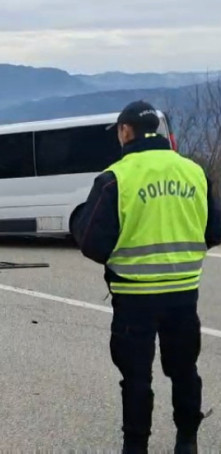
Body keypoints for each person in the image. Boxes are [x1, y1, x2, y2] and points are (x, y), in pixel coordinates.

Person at [72, 100, 221, 453]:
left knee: (137, 377)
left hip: (134, 295)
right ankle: (187, 441)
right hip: (184, 293)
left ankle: (135, 447)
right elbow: (214, 229)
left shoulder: (116, 177)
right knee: (185, 369)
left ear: (126, 131)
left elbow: (90, 240)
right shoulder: (194, 172)